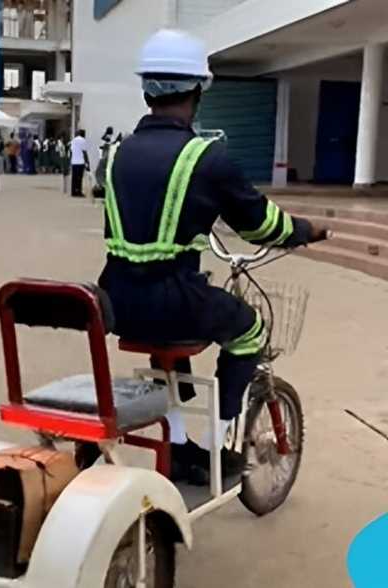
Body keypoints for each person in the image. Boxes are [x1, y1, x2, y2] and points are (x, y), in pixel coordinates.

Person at [96, 29, 330, 485]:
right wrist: (305, 231)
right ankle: (216, 447)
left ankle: (178, 444)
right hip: (174, 298)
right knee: (249, 330)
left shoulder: (116, 154)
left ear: (147, 89)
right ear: (197, 91)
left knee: (171, 351)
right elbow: (261, 225)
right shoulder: (206, 157)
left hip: (116, 303)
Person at [69, 129, 89, 197]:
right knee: (79, 178)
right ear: (83, 134)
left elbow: (71, 151)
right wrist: (87, 162)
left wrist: (71, 160)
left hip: (74, 162)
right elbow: (84, 152)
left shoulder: (73, 140)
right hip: (80, 162)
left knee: (74, 178)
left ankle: (73, 192)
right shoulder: (83, 140)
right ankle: (79, 192)